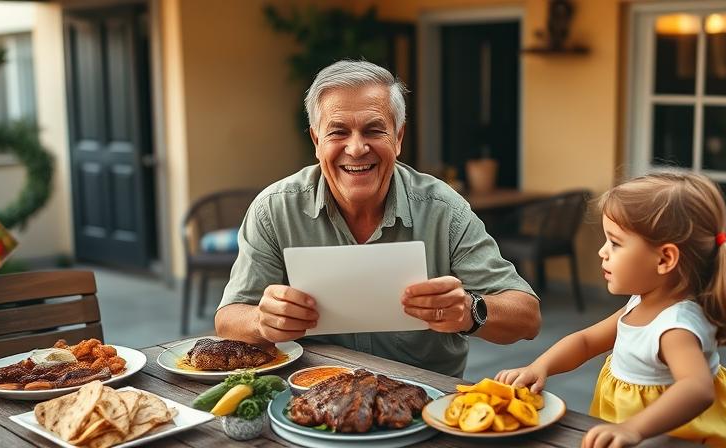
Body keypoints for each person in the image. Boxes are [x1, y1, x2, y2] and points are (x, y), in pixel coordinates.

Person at [215, 60, 540, 377]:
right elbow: (229, 318)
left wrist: (469, 311)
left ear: (398, 138)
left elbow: (527, 317)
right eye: (338, 132)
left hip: (424, 403)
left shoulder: (444, 209)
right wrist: (261, 320)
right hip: (312, 400)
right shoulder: (274, 210)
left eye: (374, 130)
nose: (356, 148)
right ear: (316, 141)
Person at [496, 172, 726, 447]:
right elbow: (586, 342)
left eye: (615, 243)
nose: (602, 252)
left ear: (665, 259)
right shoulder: (640, 302)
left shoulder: (675, 327)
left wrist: (633, 428)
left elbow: (697, 389)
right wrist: (541, 367)